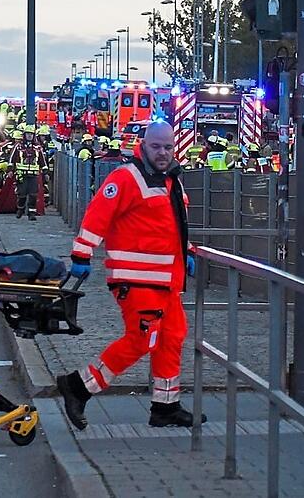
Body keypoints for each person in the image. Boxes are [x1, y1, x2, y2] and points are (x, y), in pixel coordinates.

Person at [56, 121, 207, 431]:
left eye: (168, 146)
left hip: (166, 281)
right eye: (156, 146)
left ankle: (165, 407)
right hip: (135, 279)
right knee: (141, 340)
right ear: (144, 145)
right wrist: (81, 254)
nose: (163, 152)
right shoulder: (126, 177)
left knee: (172, 337)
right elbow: (98, 215)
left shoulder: (171, 181)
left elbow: (173, 225)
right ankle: (79, 386)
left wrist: (188, 251)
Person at [9, 126, 46, 220]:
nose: (29, 136)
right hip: (22, 174)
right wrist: (10, 170)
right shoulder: (18, 146)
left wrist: (46, 172)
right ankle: (20, 209)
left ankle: (31, 213)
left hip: (33, 175)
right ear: (24, 135)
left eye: (31, 134)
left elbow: (42, 161)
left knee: (33, 194)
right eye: (28, 134)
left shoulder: (37, 147)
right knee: (22, 194)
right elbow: (11, 159)